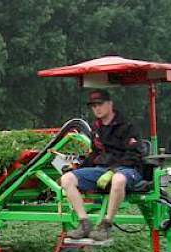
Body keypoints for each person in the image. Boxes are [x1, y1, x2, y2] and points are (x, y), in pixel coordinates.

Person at [59, 89, 143, 242]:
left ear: (110, 104)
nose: (96, 108)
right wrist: (78, 168)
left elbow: (135, 155)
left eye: (100, 104)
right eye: (93, 106)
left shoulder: (127, 126)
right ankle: (84, 223)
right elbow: (94, 154)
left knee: (118, 180)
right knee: (67, 179)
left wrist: (113, 170)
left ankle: (106, 225)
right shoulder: (96, 128)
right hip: (102, 170)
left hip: (128, 169)